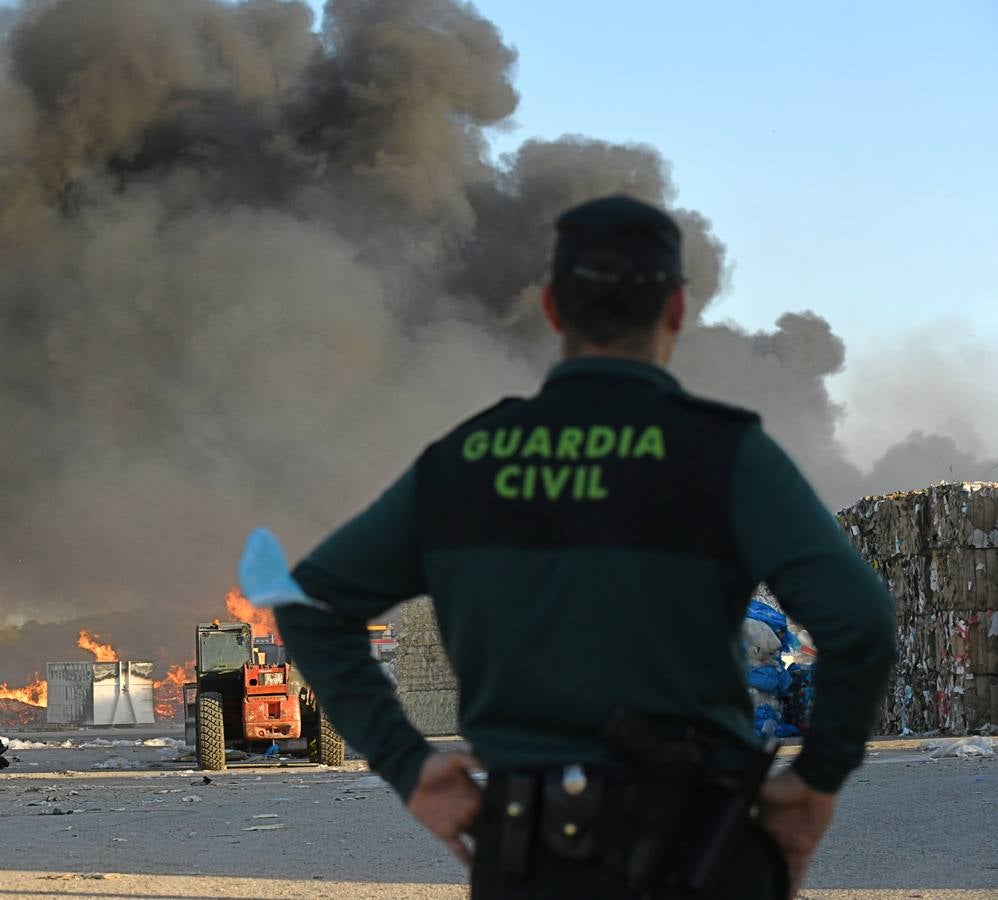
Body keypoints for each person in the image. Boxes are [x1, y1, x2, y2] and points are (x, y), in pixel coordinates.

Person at [270, 195, 896, 899]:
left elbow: (307, 602)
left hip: (527, 861)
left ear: (551, 309)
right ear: (678, 309)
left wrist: (406, 762)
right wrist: (815, 784)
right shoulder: (724, 453)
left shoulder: (465, 462)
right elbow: (861, 623)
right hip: (701, 854)